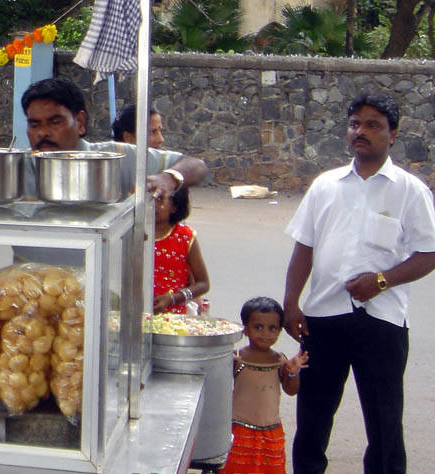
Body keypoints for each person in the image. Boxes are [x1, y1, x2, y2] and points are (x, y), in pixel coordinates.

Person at [282, 92, 435, 474]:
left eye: (372, 125)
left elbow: (428, 254)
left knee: (384, 423)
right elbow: (304, 247)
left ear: (393, 134)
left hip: (382, 321)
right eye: (355, 124)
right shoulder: (325, 185)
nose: (360, 132)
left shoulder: (409, 190)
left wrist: (381, 281)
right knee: (313, 418)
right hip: (323, 316)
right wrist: (291, 303)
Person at [21, 76, 206, 201]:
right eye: (34, 124)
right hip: (27, 262)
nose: (42, 133)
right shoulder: (16, 168)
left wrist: (169, 178)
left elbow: (197, 166)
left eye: (54, 122)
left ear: (80, 122)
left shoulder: (115, 157)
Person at [218, 297, 309, 474]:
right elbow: (219, 389)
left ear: (279, 331)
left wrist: (293, 372)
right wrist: (227, 365)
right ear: (245, 328)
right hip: (239, 430)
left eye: (272, 328)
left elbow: (291, 390)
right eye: (258, 327)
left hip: (270, 431)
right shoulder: (238, 358)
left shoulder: (279, 360)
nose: (265, 334)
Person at [152, 186, 210, 314]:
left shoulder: (185, 237)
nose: (152, 204)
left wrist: (174, 298)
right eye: (150, 198)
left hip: (173, 318)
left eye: (160, 199)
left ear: (175, 207)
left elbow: (203, 283)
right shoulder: (133, 233)